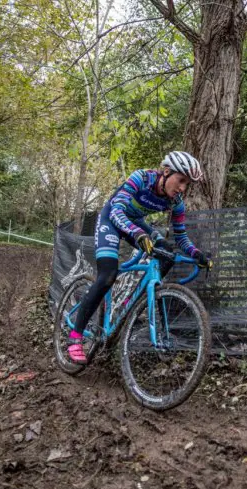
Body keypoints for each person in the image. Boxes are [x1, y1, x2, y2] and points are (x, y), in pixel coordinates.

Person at [67, 151, 213, 364]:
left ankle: (139, 298)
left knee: (167, 254)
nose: (183, 188)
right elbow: (117, 210)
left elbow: (181, 237)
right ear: (166, 171)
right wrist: (137, 234)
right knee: (108, 275)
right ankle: (75, 337)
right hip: (112, 219)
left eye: (187, 184)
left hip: (135, 223)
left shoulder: (176, 203)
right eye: (181, 180)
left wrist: (196, 253)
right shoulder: (141, 178)